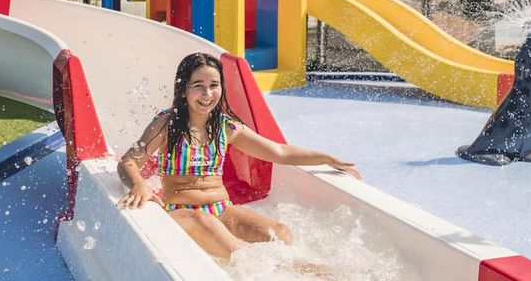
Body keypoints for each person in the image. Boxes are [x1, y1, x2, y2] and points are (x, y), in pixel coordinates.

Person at [117, 52, 361, 259]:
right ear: (183, 89)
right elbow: (128, 161)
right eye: (198, 86)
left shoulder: (226, 127)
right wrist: (139, 184)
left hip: (222, 209)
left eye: (214, 85)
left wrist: (327, 158)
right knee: (216, 231)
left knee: (279, 233)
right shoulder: (167, 124)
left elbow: (279, 152)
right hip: (183, 212)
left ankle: (300, 269)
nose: (207, 94)